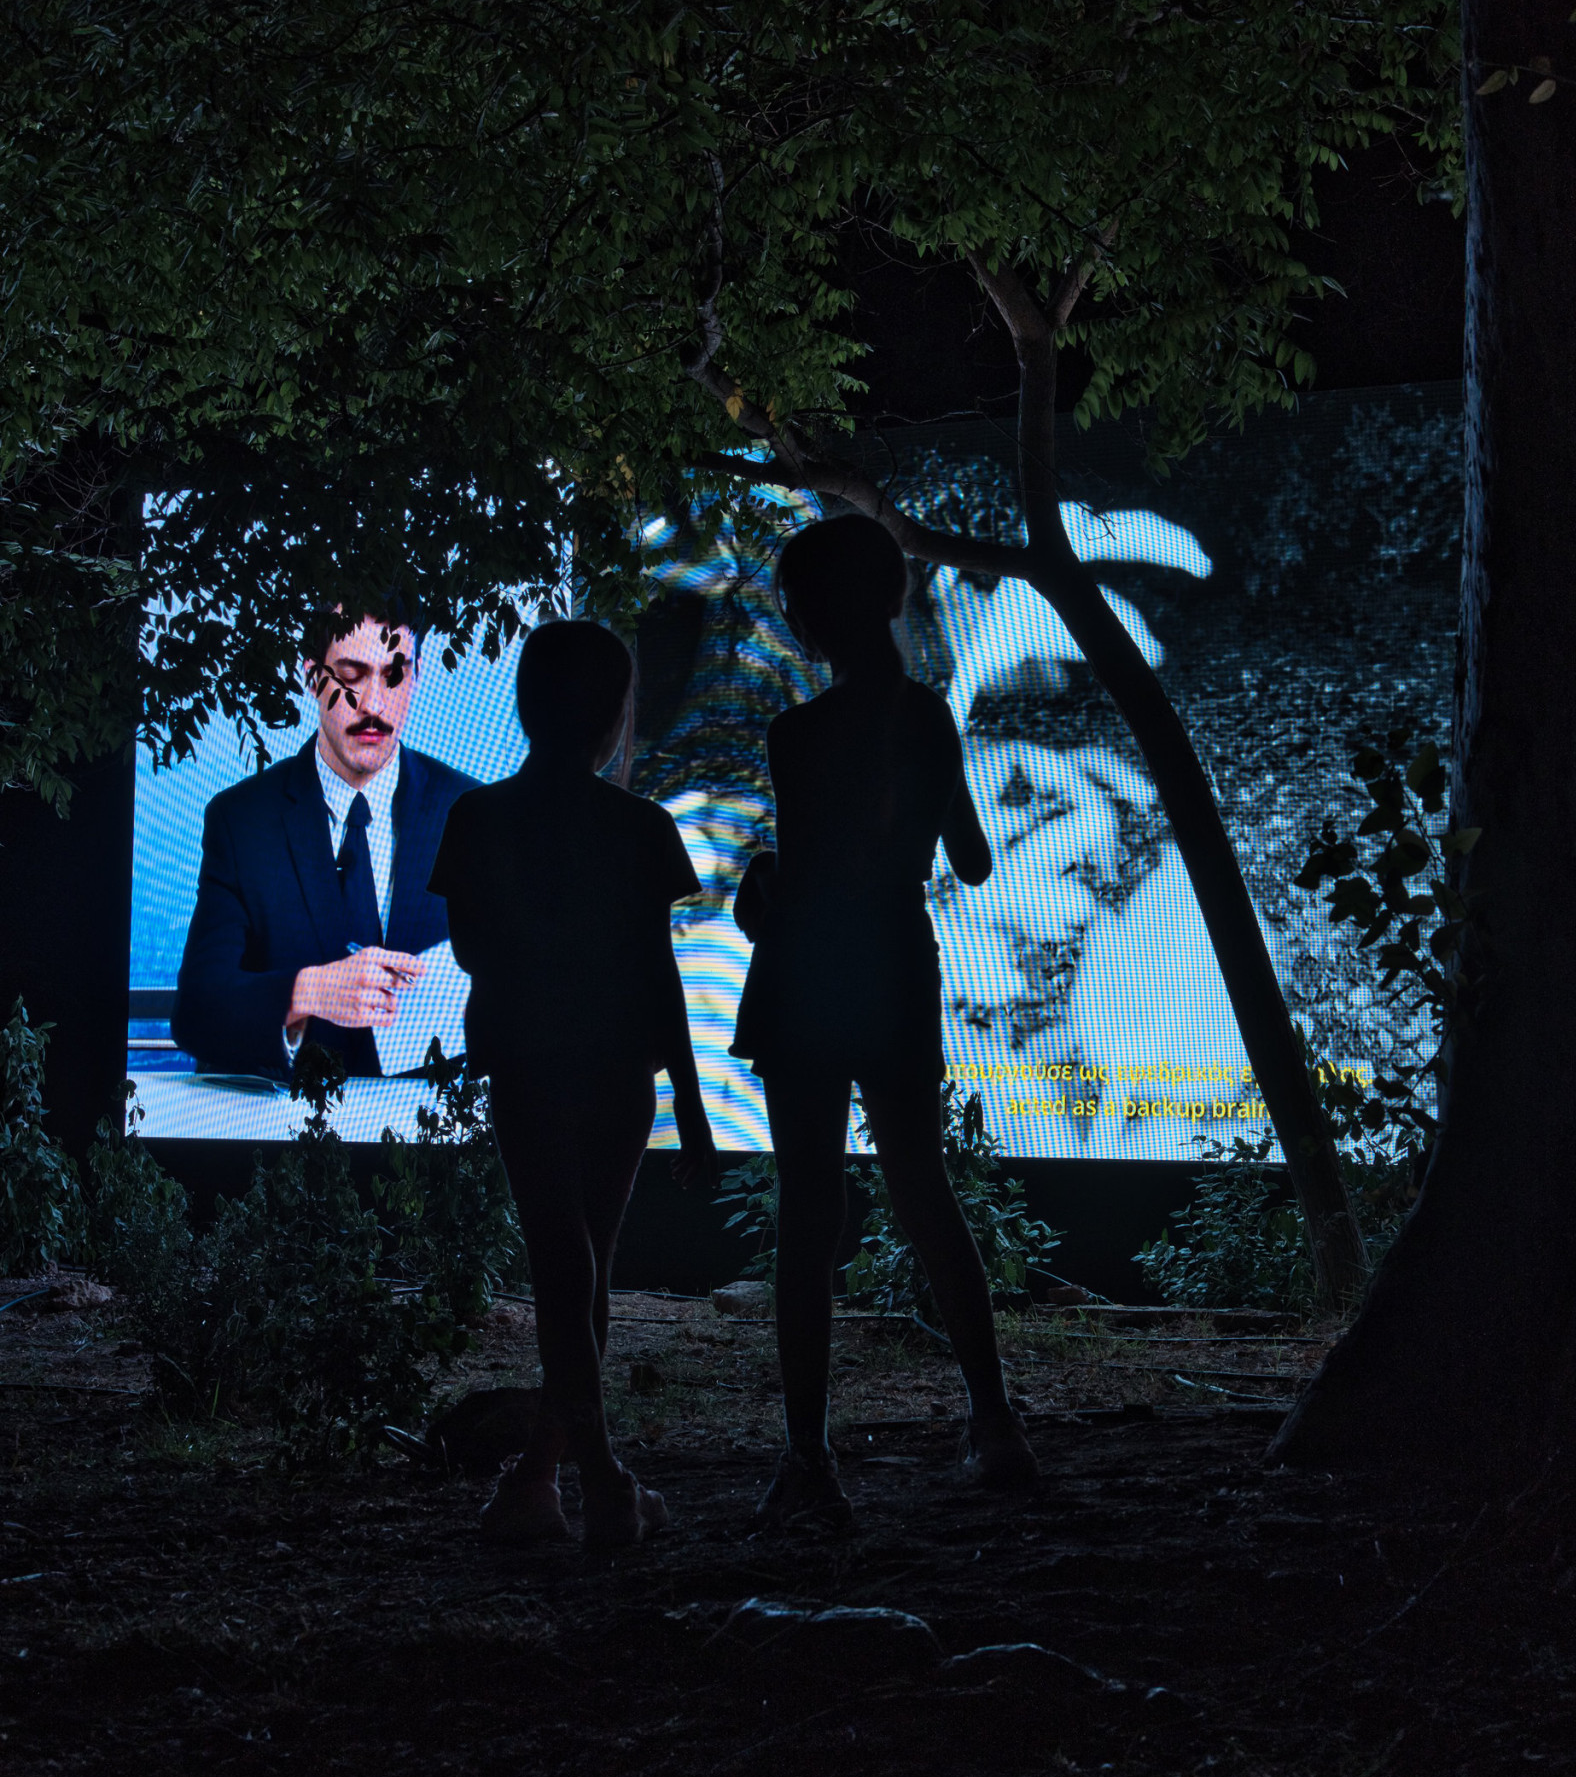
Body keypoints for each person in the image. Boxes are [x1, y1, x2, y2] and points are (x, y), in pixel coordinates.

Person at [731, 514, 1041, 1530]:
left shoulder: (795, 735)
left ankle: (809, 1454)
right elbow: (973, 863)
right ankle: (993, 1419)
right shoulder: (928, 718)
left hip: (808, 975)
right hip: (896, 965)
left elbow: (806, 875)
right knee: (923, 1189)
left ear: (810, 618)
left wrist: (763, 880)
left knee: (807, 1213)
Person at [428, 619, 718, 1551]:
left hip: (526, 1060)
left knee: (565, 1262)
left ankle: (572, 1482)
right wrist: (693, 1104)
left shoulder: (479, 819)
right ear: (613, 714)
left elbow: (472, 952)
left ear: (525, 705)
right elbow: (659, 973)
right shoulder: (639, 827)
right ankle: (581, 1480)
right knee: (583, 1265)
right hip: (617, 1068)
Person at [173, 601, 471, 1078]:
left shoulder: (469, 812)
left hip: (431, 1122)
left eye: (394, 676)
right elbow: (196, 1013)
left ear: (416, 678)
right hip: (293, 1121)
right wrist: (307, 992)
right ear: (312, 676)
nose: (373, 705)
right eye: (352, 676)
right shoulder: (242, 820)